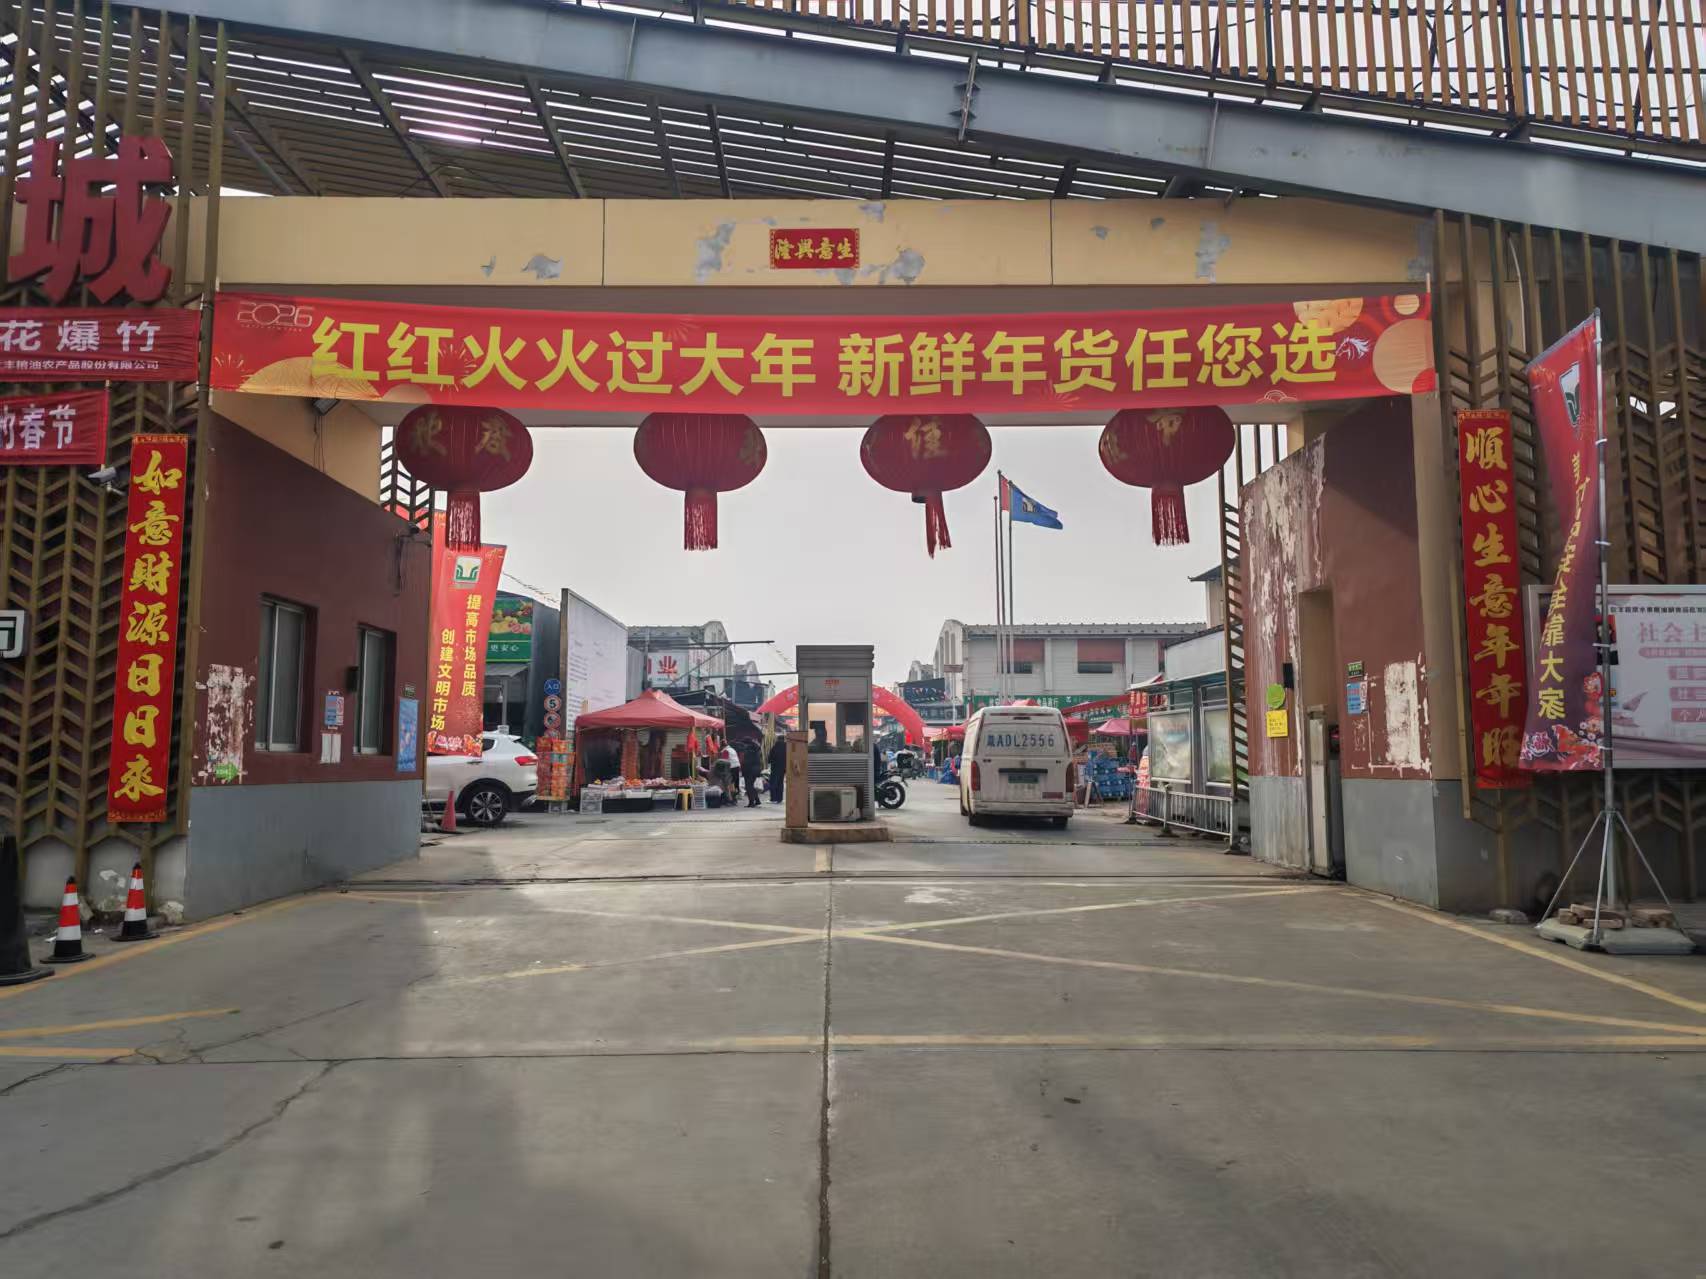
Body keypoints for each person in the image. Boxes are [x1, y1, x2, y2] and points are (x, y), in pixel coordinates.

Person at [738, 737, 763, 808]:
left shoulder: (748, 750)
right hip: (755, 770)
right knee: (751, 785)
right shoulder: (755, 749)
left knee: (748, 786)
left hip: (749, 771)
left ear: (746, 744)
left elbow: (747, 762)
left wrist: (743, 769)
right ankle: (757, 800)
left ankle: (751, 802)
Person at [767, 733, 788, 805]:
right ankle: (779, 799)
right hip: (783, 768)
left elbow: (770, 758)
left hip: (775, 767)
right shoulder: (787, 747)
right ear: (784, 739)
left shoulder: (775, 747)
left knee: (773, 782)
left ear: (777, 739)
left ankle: (773, 798)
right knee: (780, 783)